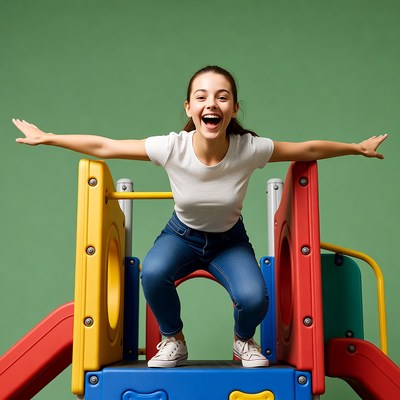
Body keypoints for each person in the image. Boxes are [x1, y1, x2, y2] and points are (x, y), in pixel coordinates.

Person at [12, 65, 387, 369]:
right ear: (190, 108)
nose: (213, 103)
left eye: (222, 97)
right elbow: (105, 146)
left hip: (229, 241)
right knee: (154, 274)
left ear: (234, 109)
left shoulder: (249, 149)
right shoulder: (171, 147)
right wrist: (50, 137)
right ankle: (173, 339)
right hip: (181, 235)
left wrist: (356, 148)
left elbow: (305, 148)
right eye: (202, 96)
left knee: (256, 298)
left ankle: (243, 342)